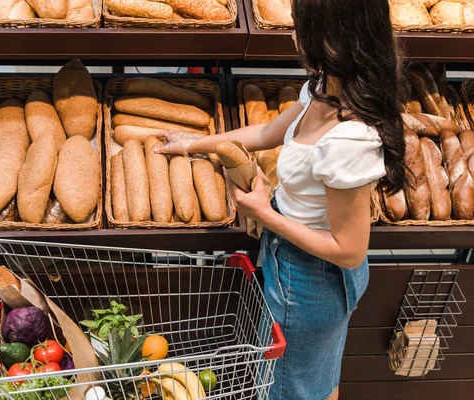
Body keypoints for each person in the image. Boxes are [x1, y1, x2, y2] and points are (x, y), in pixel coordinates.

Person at [155, 0, 408, 398]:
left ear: (334, 37)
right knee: (314, 381)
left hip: (309, 283)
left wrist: (264, 214)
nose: (292, 34)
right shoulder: (325, 88)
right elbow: (266, 134)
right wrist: (193, 143)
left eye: (300, 25)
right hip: (293, 264)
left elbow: (349, 250)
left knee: (288, 387)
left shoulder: (350, 139)